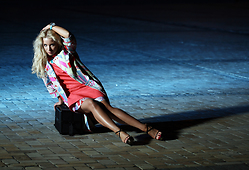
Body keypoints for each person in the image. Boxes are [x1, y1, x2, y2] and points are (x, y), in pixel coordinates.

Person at [32, 23, 162, 145]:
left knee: (108, 109)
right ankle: (120, 132)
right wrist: (60, 100)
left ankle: (145, 128)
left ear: (58, 43)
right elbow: (52, 86)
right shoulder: (44, 64)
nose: (49, 49)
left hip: (87, 86)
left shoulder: (66, 52)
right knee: (93, 105)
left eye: (52, 45)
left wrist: (51, 26)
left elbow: (68, 35)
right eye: (45, 45)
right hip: (72, 95)